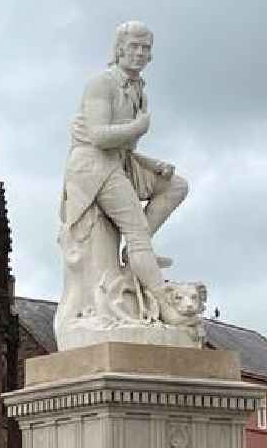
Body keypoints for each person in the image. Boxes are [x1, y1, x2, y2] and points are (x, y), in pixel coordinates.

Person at [60, 21, 188, 294]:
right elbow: (99, 137)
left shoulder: (140, 92)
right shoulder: (101, 83)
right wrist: (138, 127)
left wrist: (153, 164)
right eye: (134, 46)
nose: (140, 53)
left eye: (146, 48)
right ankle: (163, 298)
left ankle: (135, 253)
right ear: (119, 49)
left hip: (120, 161)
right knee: (136, 229)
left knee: (176, 185)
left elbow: (125, 147)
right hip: (94, 166)